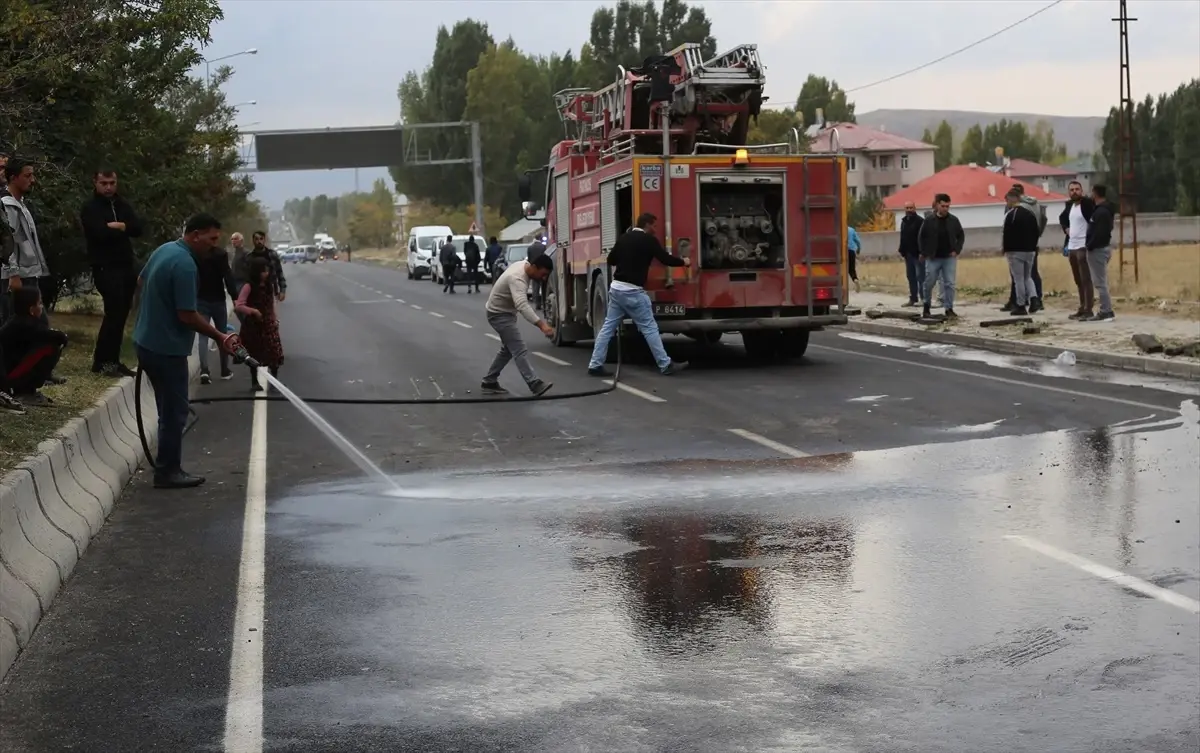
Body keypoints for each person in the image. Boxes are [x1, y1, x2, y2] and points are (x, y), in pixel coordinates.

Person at [133, 213, 241, 489]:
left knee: (166, 409)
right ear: (195, 235)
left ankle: (166, 464)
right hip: (167, 350)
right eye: (212, 238)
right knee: (175, 413)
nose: (214, 245)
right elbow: (187, 315)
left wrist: (152, 313)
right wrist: (219, 335)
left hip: (146, 342)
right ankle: (168, 471)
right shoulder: (185, 265)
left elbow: (141, 280)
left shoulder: (165, 250)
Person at [587, 213, 690, 377]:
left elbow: (611, 260)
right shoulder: (648, 241)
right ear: (647, 225)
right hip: (633, 292)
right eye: (654, 226)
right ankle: (665, 364)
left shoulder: (623, 238)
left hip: (616, 289)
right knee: (650, 328)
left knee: (607, 329)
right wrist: (684, 262)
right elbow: (665, 259)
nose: (655, 230)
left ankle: (595, 364)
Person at [81, 168, 143, 377]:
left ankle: (113, 360)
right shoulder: (91, 207)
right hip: (105, 267)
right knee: (114, 312)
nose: (108, 187)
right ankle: (102, 361)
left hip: (125, 265)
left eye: (112, 183)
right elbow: (98, 233)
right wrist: (117, 230)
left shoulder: (122, 205)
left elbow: (138, 227)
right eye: (104, 183)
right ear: (95, 183)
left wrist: (120, 226)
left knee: (122, 313)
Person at [481, 253, 555, 396]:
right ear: (534, 267)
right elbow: (522, 305)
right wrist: (542, 326)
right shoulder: (517, 278)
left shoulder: (522, 265)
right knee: (519, 348)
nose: (543, 278)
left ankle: (489, 381)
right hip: (499, 314)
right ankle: (534, 383)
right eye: (543, 274)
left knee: (508, 349)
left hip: (504, 312)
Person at [1, 158, 51, 328]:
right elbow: (7, 242)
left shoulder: (19, 204)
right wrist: (13, 274)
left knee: (37, 326)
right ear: (14, 177)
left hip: (28, 274)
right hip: (16, 277)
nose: (32, 180)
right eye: (27, 175)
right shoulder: (7, 205)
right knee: (15, 326)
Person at [0, 286, 67, 407]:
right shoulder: (25, 324)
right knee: (52, 347)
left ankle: (26, 389)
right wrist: (63, 337)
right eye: (40, 303)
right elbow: (54, 336)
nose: (42, 306)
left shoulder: (18, 321)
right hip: (8, 376)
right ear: (32, 309)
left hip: (9, 371)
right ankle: (25, 391)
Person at [234, 256, 285, 392]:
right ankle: (254, 381)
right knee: (254, 353)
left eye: (267, 271)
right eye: (263, 271)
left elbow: (271, 304)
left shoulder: (270, 285)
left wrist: (275, 318)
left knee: (274, 352)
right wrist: (253, 311)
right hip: (254, 325)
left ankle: (274, 382)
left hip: (268, 324)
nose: (266, 274)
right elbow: (239, 305)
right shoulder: (248, 286)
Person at [196, 236, 239, 384]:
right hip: (218, 299)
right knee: (222, 335)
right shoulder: (220, 254)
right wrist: (234, 296)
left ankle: (204, 370)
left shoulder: (197, 255)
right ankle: (224, 370)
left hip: (201, 299)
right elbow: (228, 275)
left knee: (203, 336)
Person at [917, 193, 964, 319]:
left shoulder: (953, 220)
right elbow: (922, 237)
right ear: (937, 205)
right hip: (933, 257)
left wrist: (957, 250)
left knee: (949, 283)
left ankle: (949, 308)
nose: (945, 209)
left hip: (949, 257)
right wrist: (923, 252)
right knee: (929, 282)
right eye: (943, 206)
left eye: (948, 206)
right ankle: (926, 306)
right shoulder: (929, 221)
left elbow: (961, 236)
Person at [1001, 183, 1046, 313]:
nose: (1007, 203)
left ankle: (1020, 305)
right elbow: (1036, 231)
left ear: (1013, 199)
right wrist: (1033, 247)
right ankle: (1034, 299)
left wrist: (1006, 249)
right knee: (1028, 277)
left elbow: (1007, 234)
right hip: (1030, 250)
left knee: (1018, 279)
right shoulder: (1031, 213)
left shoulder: (1012, 214)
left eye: (1007, 200)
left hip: (1016, 251)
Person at [1059, 180, 1096, 320]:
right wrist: (1065, 228)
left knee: (1086, 279)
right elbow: (1062, 218)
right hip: (1072, 246)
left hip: (1083, 245)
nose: (1074, 192)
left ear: (1082, 191)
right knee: (1078, 279)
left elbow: (1094, 220)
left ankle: (1088, 309)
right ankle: (1081, 307)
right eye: (1072, 190)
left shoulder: (1086, 204)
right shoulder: (1070, 206)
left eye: (1077, 189)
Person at [1084, 184, 1115, 322]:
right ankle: (1105, 309)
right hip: (1101, 248)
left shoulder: (1101, 212)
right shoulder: (1102, 210)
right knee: (1100, 281)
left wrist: (1090, 245)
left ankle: (1106, 310)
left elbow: (1100, 233)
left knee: (1100, 282)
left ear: (1095, 193)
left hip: (1098, 250)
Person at [897, 201, 924, 306]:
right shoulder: (904, 222)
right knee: (911, 277)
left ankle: (923, 298)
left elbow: (923, 238)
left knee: (921, 277)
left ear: (915, 208)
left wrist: (922, 252)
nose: (909, 210)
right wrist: (902, 250)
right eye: (907, 208)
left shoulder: (920, 221)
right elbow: (903, 237)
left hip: (918, 254)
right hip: (908, 254)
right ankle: (913, 298)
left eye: (911, 208)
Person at [248, 231, 286, 302]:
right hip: (255, 294)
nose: (259, 241)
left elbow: (279, 273)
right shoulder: (249, 258)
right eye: (256, 239)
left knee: (271, 312)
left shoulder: (272, 255)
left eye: (261, 239)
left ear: (264, 240)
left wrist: (282, 290)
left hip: (271, 292)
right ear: (253, 241)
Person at [526, 236, 547, 308]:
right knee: (543, 286)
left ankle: (537, 303)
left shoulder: (530, 248)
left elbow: (529, 260)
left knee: (535, 287)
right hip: (542, 269)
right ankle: (544, 302)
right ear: (540, 239)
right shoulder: (543, 247)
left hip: (534, 269)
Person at [846, 225, 861, 293]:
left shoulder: (838, 229)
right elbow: (858, 241)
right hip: (851, 251)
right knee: (851, 269)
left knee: (842, 269)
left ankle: (843, 286)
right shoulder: (851, 230)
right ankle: (855, 279)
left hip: (841, 252)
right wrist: (858, 249)